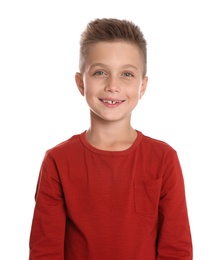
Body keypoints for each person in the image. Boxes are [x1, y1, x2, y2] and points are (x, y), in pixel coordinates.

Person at [29, 18, 193, 259]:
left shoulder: (163, 158)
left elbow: (176, 249)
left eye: (127, 74)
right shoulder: (57, 161)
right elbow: (45, 251)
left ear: (143, 86)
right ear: (80, 83)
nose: (113, 85)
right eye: (100, 72)